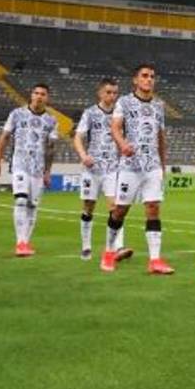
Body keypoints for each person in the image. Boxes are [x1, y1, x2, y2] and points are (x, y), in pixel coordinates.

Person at [103, 64, 173, 274]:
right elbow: (115, 128)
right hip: (130, 166)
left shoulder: (159, 106)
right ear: (135, 80)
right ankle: (108, 252)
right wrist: (122, 144)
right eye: (144, 75)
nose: (149, 79)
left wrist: (162, 165)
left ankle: (155, 260)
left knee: (153, 208)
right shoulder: (124, 102)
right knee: (120, 210)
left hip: (152, 166)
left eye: (152, 76)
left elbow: (160, 137)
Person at [0, 84, 59, 257]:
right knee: (21, 200)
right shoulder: (17, 114)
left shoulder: (52, 121)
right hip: (19, 164)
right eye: (36, 93)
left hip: (38, 168)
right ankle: (20, 242)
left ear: (47, 98)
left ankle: (25, 242)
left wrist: (47, 171)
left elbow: (51, 148)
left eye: (43, 94)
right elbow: (4, 137)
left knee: (32, 205)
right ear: (31, 95)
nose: (39, 96)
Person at [74, 77, 132, 262]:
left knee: (116, 207)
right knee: (88, 207)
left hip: (113, 169)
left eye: (115, 93)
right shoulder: (90, 113)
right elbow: (78, 137)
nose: (112, 96)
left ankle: (118, 247)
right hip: (92, 169)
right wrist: (83, 155)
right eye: (108, 92)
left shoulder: (120, 115)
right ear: (100, 93)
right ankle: (86, 246)